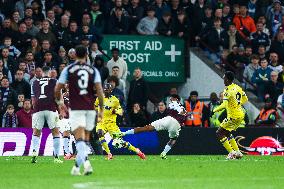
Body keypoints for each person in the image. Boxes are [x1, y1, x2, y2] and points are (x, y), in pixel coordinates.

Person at [55, 45, 104, 176]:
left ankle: (81, 166)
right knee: (85, 139)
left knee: (79, 139)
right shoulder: (93, 70)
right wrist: (102, 109)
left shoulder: (69, 69)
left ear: (75, 55)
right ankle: (82, 167)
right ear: (87, 55)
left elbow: (57, 89)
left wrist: (60, 103)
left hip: (76, 109)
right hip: (90, 109)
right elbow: (100, 92)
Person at [121, 94, 186, 159]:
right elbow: (183, 117)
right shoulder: (180, 108)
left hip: (171, 120)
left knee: (147, 128)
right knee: (173, 139)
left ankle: (124, 133)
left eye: (172, 98)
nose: (170, 100)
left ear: (176, 99)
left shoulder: (174, 103)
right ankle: (163, 153)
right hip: (175, 123)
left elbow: (179, 111)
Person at [95, 83, 145, 160]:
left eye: (107, 89)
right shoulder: (99, 98)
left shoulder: (115, 100)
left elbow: (120, 112)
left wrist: (114, 111)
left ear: (111, 90)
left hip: (111, 124)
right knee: (99, 133)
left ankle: (137, 151)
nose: (105, 91)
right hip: (101, 123)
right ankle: (109, 154)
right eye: (104, 89)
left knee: (120, 143)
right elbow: (95, 107)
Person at [31, 66, 63, 164]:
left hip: (38, 109)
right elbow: (58, 97)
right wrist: (61, 110)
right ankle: (56, 157)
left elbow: (33, 100)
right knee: (55, 132)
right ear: (49, 72)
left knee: (36, 132)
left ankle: (34, 154)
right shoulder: (55, 81)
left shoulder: (34, 82)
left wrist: (35, 109)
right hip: (51, 108)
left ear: (41, 72)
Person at [213, 71, 248, 160]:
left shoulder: (227, 90)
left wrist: (214, 110)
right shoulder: (238, 87)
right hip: (240, 115)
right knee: (227, 132)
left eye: (224, 78)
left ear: (227, 79)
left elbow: (224, 105)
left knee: (219, 133)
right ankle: (238, 152)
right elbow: (245, 99)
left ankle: (232, 153)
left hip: (233, 116)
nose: (223, 80)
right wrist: (238, 105)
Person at [57, 84, 74, 160]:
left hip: (73, 118)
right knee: (66, 132)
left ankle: (75, 153)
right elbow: (59, 105)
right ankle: (67, 153)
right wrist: (61, 112)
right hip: (64, 118)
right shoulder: (63, 96)